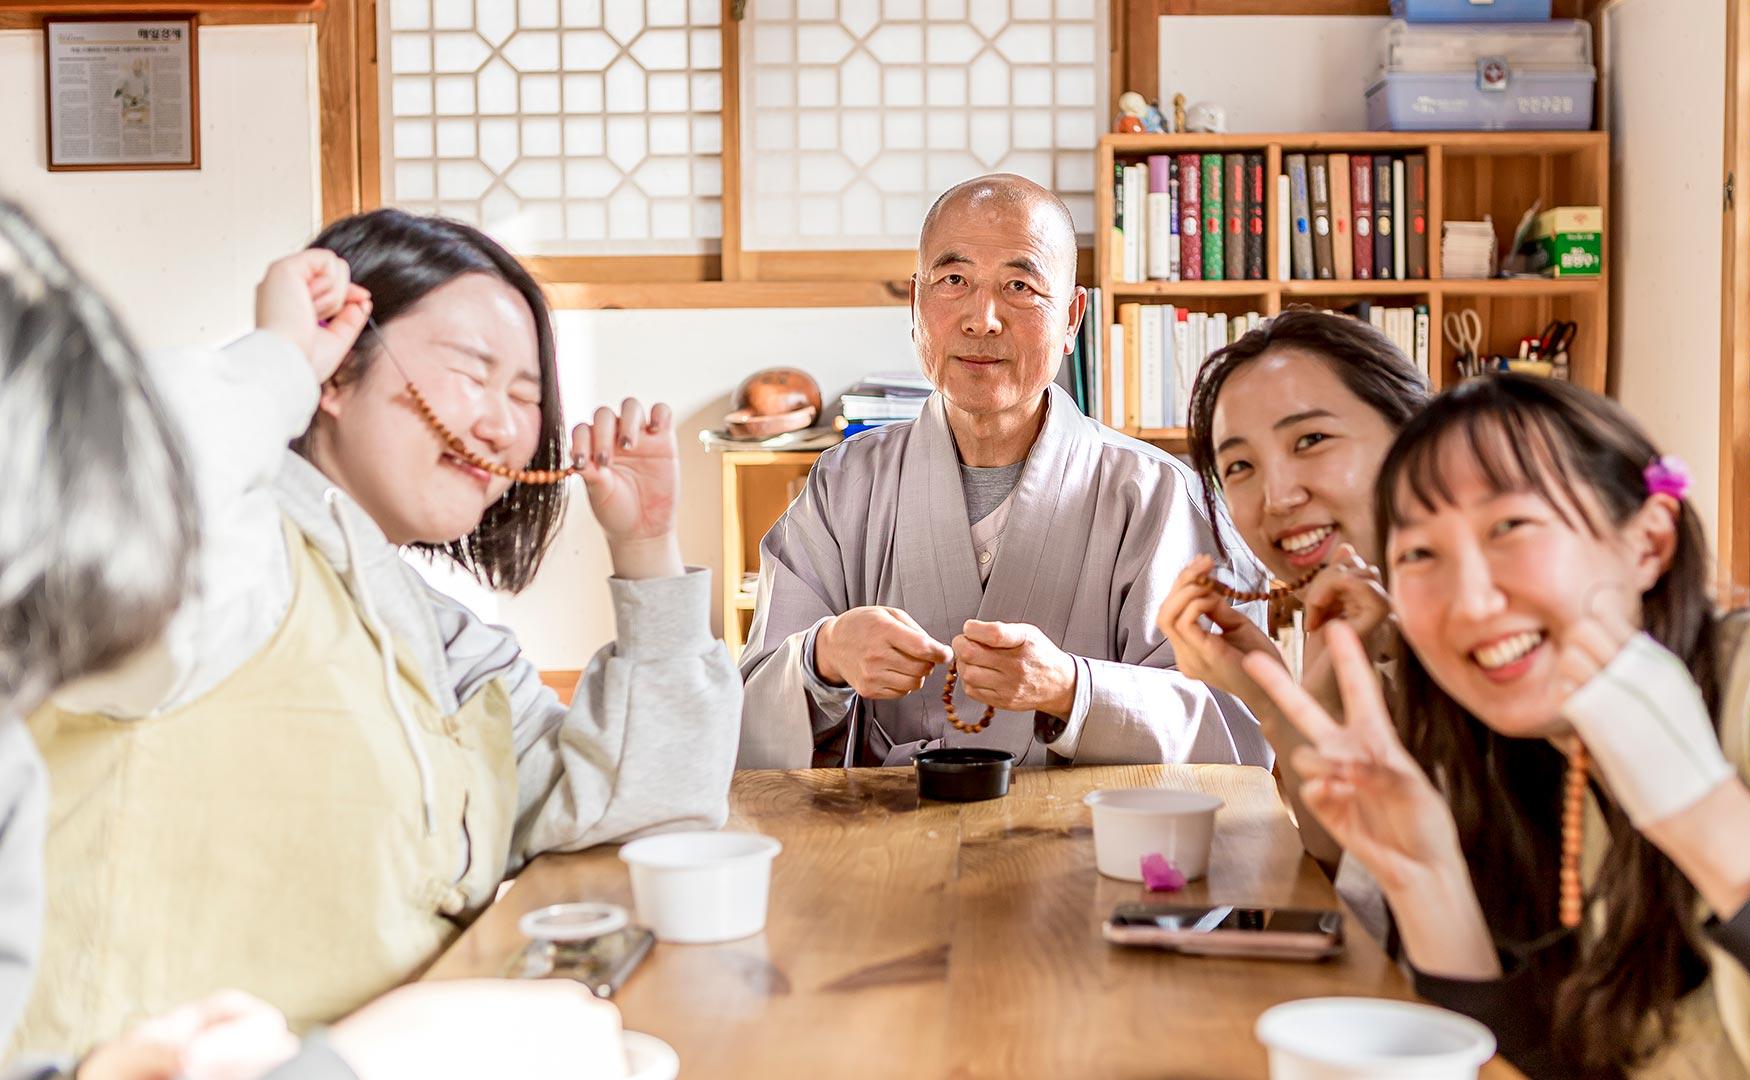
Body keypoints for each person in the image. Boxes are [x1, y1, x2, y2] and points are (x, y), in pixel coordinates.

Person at [17, 209, 742, 1056]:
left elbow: (649, 804)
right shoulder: (227, 564)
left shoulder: (446, 643)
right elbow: (93, 489)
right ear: (336, 372)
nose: (504, 426)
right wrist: (278, 360)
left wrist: (647, 546)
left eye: (527, 396)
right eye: (473, 373)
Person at [1247, 375, 1750, 1077]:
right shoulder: (1511, 757)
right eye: (1420, 554)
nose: (1471, 602)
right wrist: (1426, 877)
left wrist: (1703, 814)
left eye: (1510, 527)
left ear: (1649, 544)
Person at [737, 174, 1266, 768]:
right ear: (916, 304)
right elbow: (749, 706)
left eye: (1019, 285)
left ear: (1071, 318)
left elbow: (1235, 725)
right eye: (954, 281)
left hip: (1086, 840)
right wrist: (825, 655)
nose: (982, 318)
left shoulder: (1160, 496)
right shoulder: (844, 487)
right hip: (886, 843)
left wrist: (1072, 689)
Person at [1150, 309, 1427, 876]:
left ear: (1414, 432)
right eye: (1241, 465)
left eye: (1312, 439)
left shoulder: (1488, 619)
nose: (1277, 498)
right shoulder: (1344, 620)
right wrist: (1276, 704)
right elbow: (1341, 861)